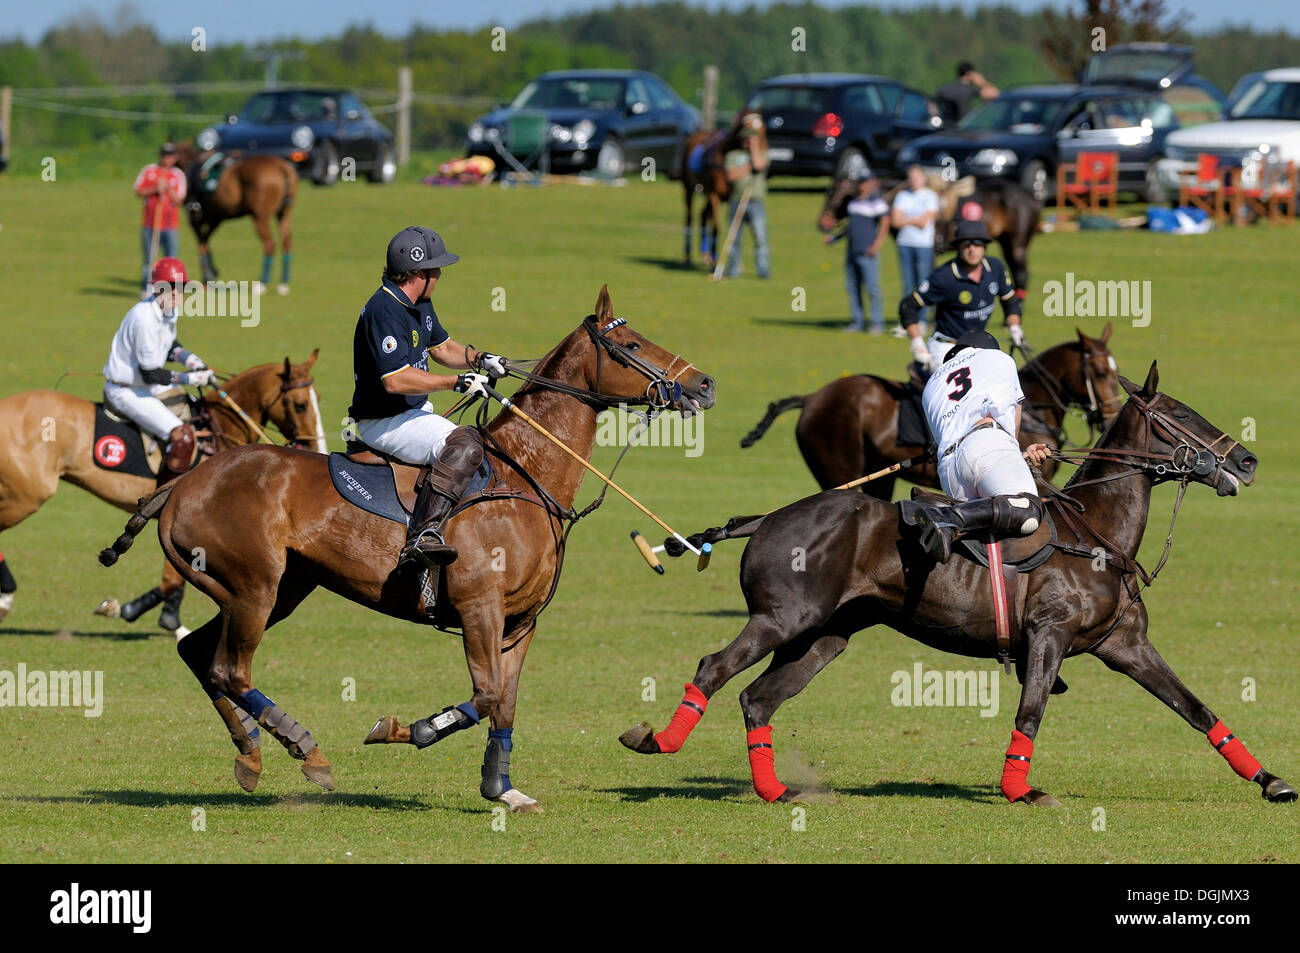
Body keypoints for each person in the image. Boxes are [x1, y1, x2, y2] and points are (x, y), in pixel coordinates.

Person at [348, 226, 512, 569]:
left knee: (476, 442)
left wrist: (482, 358)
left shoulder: (419, 303)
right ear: (418, 274)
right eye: (436, 270)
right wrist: (456, 382)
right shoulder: (384, 309)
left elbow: (444, 348)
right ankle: (425, 535)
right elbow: (395, 380)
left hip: (411, 413)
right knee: (464, 445)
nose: (439, 276)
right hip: (384, 421)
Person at [899, 330, 1050, 562]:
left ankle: (951, 520)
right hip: (988, 446)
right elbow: (1012, 427)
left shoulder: (932, 384)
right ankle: (946, 518)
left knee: (985, 538)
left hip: (949, 470)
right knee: (1026, 510)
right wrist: (1015, 454)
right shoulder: (1000, 359)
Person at [102, 257, 213, 485]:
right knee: (181, 435)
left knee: (194, 409)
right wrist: (191, 378)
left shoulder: (169, 310)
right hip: (128, 391)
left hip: (148, 384)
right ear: (156, 288)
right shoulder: (143, 318)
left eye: (180, 288)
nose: (175, 293)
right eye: (169, 288)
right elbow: (151, 373)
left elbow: (169, 345)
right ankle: (165, 495)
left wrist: (189, 359)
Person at [899, 219, 1024, 377]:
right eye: (966, 244)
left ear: (984, 247)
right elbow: (908, 306)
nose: (972, 249)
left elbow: (1011, 302)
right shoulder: (944, 276)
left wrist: (1014, 327)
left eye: (977, 243)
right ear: (958, 247)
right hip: (946, 348)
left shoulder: (995, 268)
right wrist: (917, 344)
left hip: (978, 346)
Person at [825, 165, 889, 333]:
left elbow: (884, 224)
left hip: (867, 252)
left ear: (871, 183)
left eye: (865, 182)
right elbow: (850, 228)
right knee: (853, 288)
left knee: (872, 289)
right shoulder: (853, 203)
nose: (862, 186)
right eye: (860, 182)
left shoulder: (877, 202)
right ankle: (857, 321)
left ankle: (877, 323)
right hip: (852, 251)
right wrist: (834, 238)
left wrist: (876, 245)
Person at [133, 142, 187, 291]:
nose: (167, 159)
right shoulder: (150, 170)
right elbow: (138, 190)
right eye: (164, 155)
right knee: (149, 258)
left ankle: (169, 289)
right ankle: (147, 287)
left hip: (170, 224)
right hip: (150, 223)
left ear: (175, 157)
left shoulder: (178, 175)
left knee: (171, 258)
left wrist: (168, 188)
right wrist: (155, 188)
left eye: (170, 156)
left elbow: (180, 199)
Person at [891, 165, 940, 329]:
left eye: (917, 177)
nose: (914, 181)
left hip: (923, 245)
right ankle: (908, 319)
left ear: (923, 178)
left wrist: (907, 219)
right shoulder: (902, 195)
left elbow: (924, 222)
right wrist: (914, 219)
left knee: (923, 283)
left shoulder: (930, 196)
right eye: (911, 177)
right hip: (904, 243)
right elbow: (895, 221)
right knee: (907, 284)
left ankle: (923, 319)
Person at [722, 112, 770, 279]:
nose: (747, 142)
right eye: (746, 139)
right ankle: (733, 269)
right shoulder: (733, 156)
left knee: (760, 237)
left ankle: (763, 270)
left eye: (751, 139)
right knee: (734, 238)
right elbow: (730, 175)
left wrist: (755, 147)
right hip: (736, 200)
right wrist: (748, 167)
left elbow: (759, 164)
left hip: (756, 201)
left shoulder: (763, 154)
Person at [935, 62, 1000, 124]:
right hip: (964, 126)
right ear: (969, 74)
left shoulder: (944, 88)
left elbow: (932, 104)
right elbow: (995, 94)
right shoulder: (969, 89)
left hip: (947, 126)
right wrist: (982, 82)